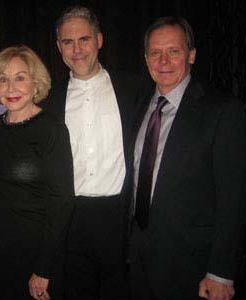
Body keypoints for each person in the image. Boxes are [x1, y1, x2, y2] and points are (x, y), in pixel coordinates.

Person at [129, 16, 246, 300]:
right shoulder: (138, 104)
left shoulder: (223, 111)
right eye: (155, 53)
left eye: (174, 51)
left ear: (191, 55)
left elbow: (234, 199)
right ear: (146, 59)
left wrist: (221, 272)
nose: (163, 61)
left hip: (191, 267)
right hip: (136, 260)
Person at [42, 6, 138, 299]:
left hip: (122, 221)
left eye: (84, 39)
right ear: (59, 47)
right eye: (68, 42)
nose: (77, 49)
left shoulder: (136, 89)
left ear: (99, 40)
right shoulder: (47, 100)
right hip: (70, 222)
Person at [0, 45, 74, 300]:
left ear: (35, 83)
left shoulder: (51, 130)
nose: (11, 88)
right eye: (3, 79)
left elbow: (62, 202)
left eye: (20, 77)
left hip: (36, 256)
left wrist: (43, 269)